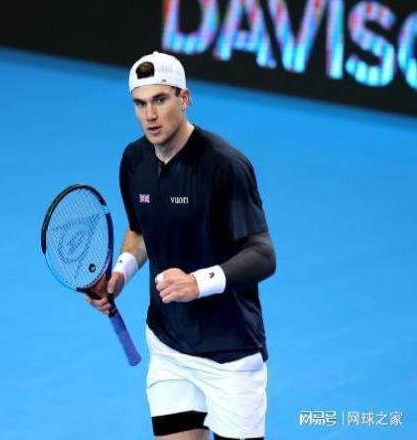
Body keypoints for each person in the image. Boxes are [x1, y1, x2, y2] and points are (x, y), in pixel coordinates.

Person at [85, 51, 276, 440]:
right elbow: (140, 232)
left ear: (184, 98)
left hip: (230, 353)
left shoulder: (225, 165)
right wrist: (120, 274)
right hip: (168, 345)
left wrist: (197, 283)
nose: (150, 115)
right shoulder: (134, 160)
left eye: (160, 99)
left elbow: (262, 255)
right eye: (140, 103)